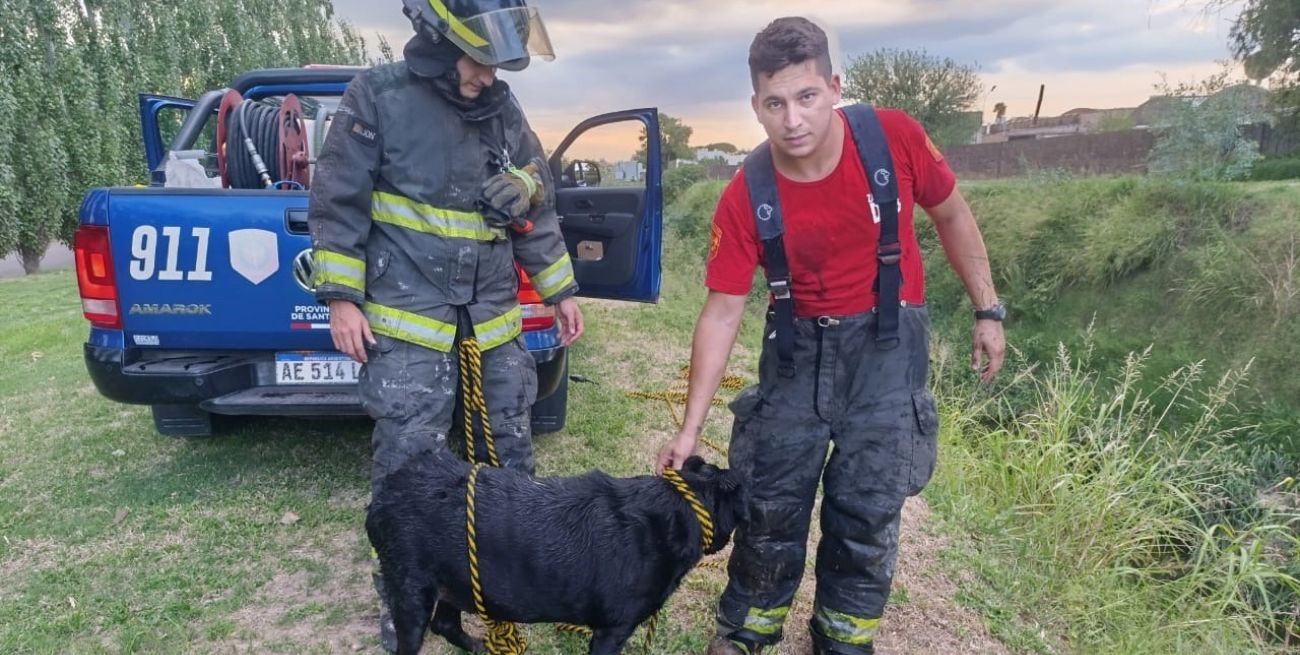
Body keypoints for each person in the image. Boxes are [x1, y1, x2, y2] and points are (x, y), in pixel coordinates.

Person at [655, 17, 1006, 655]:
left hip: (888, 352)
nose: (793, 120)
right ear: (756, 105)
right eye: (775, 103)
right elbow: (722, 313)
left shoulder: (894, 138)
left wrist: (988, 310)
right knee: (769, 504)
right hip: (794, 356)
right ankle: (748, 628)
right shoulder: (746, 192)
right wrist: (689, 429)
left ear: (835, 87)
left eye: (807, 96)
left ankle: (842, 637)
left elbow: (953, 214)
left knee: (867, 509)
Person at [307, 0, 581, 649]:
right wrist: (341, 299)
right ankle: (407, 595)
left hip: (493, 323)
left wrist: (558, 286)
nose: (488, 76)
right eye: (478, 62)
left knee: (508, 458)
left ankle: (504, 585)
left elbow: (537, 195)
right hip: (409, 322)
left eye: (496, 64)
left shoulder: (503, 110)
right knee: (410, 468)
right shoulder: (377, 97)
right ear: (437, 42)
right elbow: (338, 200)